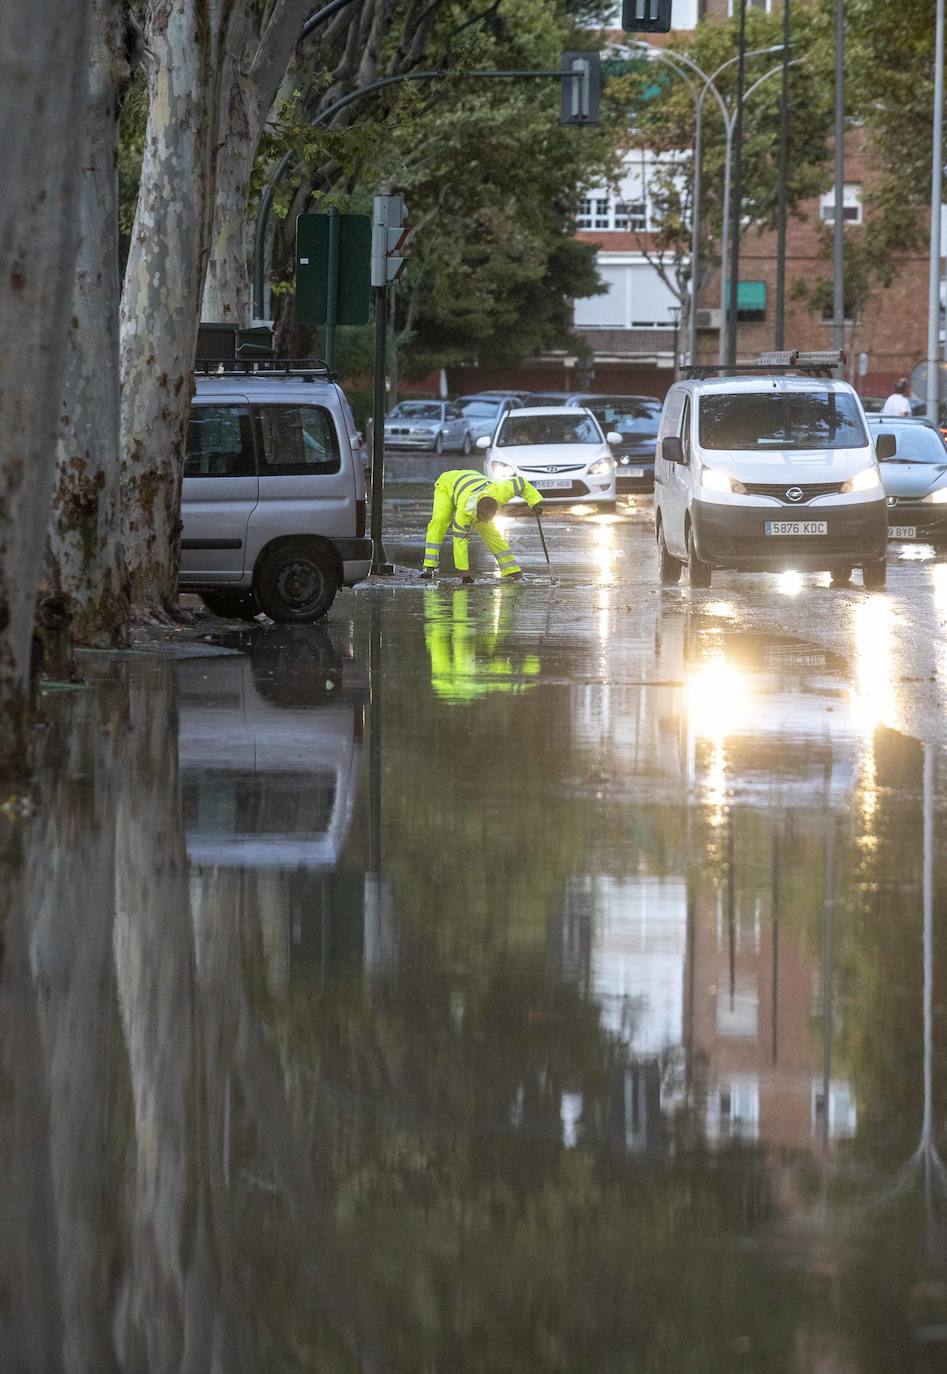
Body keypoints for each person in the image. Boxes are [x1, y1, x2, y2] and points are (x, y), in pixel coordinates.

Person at [420, 468, 544, 583]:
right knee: (440, 521)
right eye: (482, 518)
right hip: (447, 484)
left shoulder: (500, 492)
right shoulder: (464, 513)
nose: (485, 521)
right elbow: (460, 542)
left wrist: (534, 503)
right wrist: (466, 576)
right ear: (477, 511)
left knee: (492, 533)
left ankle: (512, 570)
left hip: (472, 480)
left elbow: (521, 483)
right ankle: (429, 566)